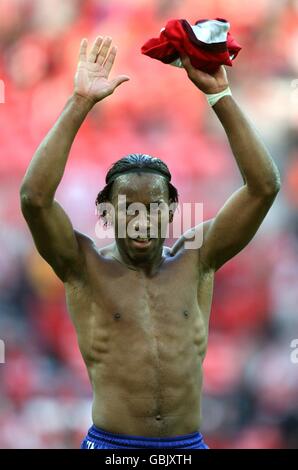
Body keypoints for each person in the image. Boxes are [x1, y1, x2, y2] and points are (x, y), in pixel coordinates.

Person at [20, 35, 280, 449]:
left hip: (186, 449)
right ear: (107, 214)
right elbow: (34, 198)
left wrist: (221, 96)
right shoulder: (83, 266)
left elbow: (264, 187)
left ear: (171, 211)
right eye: (129, 208)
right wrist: (80, 103)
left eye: (153, 206)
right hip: (113, 449)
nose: (142, 219)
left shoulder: (198, 258)